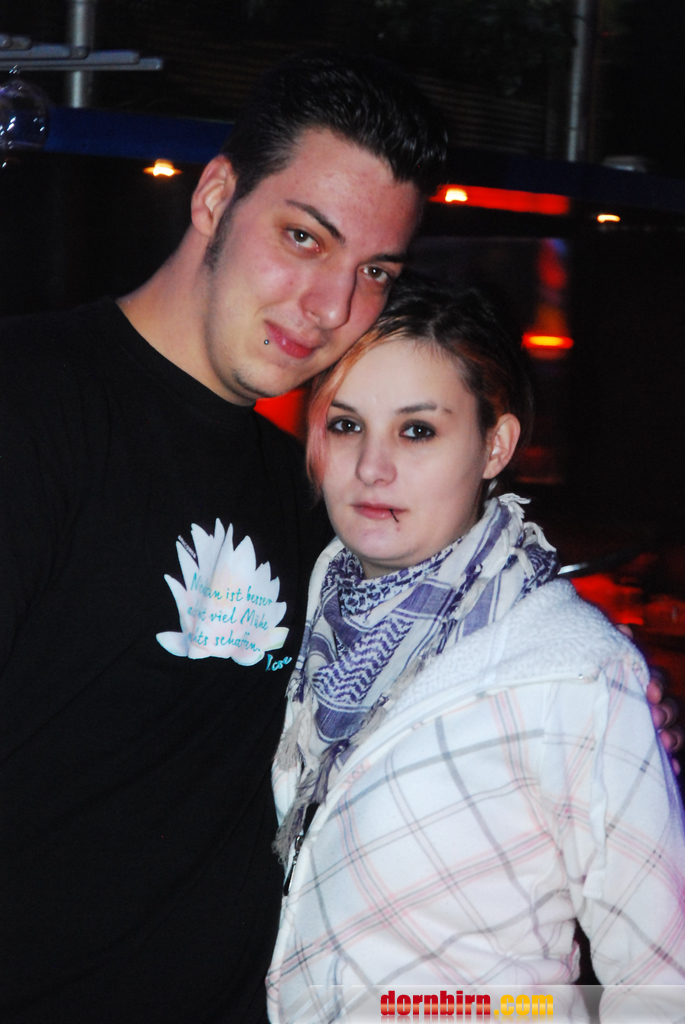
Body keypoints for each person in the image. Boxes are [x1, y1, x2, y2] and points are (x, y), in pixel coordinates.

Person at [0, 51, 447, 1024]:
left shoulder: (309, 493)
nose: (331, 307)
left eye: (373, 271)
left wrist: (593, 701)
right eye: (303, 237)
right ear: (214, 198)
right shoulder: (30, 405)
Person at [266, 276, 685, 1022]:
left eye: (417, 431)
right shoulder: (303, 614)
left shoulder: (570, 668)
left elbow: (660, 980)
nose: (371, 467)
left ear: (495, 445)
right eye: (346, 424)